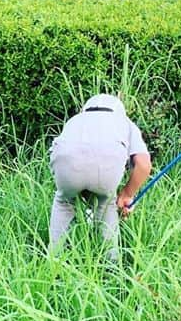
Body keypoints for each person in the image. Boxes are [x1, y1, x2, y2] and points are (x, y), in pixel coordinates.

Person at [49, 93, 152, 262]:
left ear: (86, 109)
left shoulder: (75, 121)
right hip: (107, 170)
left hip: (65, 165)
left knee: (64, 202)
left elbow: (77, 160)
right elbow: (143, 164)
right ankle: (111, 267)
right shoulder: (124, 122)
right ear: (119, 110)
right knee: (106, 204)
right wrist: (127, 194)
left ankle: (54, 263)